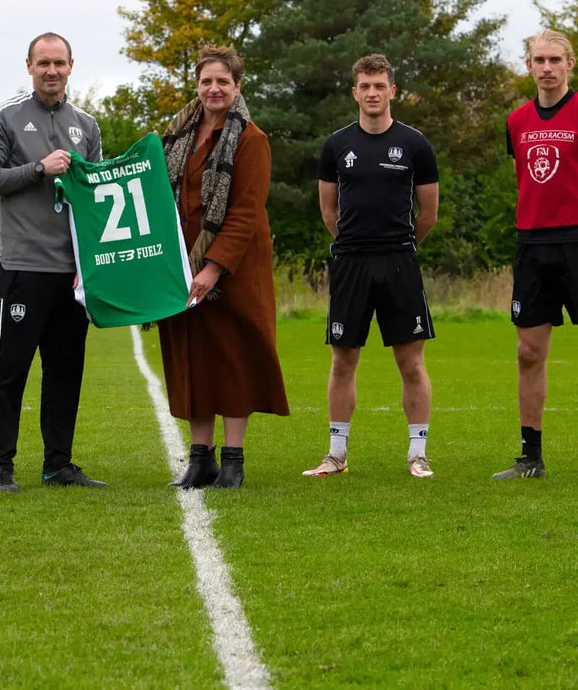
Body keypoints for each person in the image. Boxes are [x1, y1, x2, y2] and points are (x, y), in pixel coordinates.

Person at [495, 30, 578, 483]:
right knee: (528, 351)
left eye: (556, 59)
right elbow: (524, 180)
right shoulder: (516, 121)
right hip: (532, 244)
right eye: (539, 60)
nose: (547, 67)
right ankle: (530, 457)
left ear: (570, 64)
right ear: (529, 65)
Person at [0, 32, 107, 492]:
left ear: (72, 65)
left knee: (65, 372)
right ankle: (1, 466)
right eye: (43, 63)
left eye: (59, 63)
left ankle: (58, 464)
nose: (51, 71)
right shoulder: (5, 116)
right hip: (22, 268)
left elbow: (95, 201)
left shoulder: (87, 125)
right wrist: (37, 169)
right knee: (8, 369)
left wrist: (92, 265)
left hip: (71, 275)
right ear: (28, 66)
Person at [159, 44, 288, 489]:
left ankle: (233, 460)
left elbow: (246, 212)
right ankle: (201, 458)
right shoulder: (175, 136)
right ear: (197, 85)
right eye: (206, 81)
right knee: (192, 358)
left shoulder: (251, 139)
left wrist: (213, 267)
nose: (214, 89)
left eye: (222, 82)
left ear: (237, 85)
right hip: (182, 265)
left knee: (232, 360)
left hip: (234, 270)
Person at [304, 54, 439, 480]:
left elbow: (429, 213)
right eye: (364, 86)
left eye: (379, 85)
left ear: (393, 90)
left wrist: (400, 247)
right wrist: (353, 245)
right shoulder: (336, 145)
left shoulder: (415, 144)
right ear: (355, 92)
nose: (372, 93)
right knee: (343, 360)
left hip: (400, 262)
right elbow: (329, 210)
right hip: (351, 265)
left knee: (411, 363)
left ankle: (418, 454)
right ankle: (336, 454)